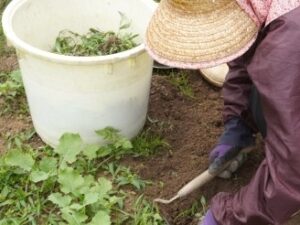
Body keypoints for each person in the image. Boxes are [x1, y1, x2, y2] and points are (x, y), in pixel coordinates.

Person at [145, 0, 300, 225]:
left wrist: (227, 217)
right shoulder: (257, 7)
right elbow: (245, 54)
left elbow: (294, 170)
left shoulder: (287, 47)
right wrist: (237, 125)